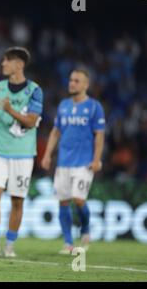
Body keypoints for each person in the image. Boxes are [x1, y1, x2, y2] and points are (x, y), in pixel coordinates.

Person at [0, 47, 44, 257]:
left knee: (17, 200)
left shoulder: (34, 90)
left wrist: (9, 110)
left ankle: (9, 245)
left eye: (6, 61)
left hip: (23, 153)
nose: (3, 65)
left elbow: (32, 121)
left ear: (19, 64)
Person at [41, 69, 105, 254]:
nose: (72, 83)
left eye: (77, 81)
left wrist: (96, 159)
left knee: (78, 200)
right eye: (71, 80)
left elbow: (99, 135)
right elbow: (56, 131)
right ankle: (68, 243)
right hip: (63, 162)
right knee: (63, 202)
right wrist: (47, 155)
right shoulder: (63, 105)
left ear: (86, 85)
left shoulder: (94, 106)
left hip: (84, 163)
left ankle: (85, 227)